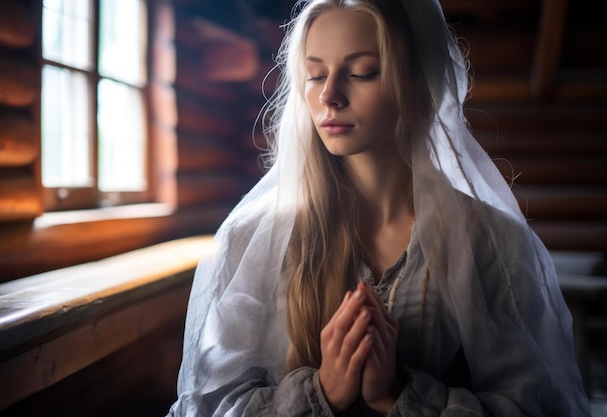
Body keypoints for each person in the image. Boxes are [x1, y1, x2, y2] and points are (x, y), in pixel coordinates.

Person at [166, 0, 591, 415]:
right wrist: (322, 393)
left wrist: (399, 394)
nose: (330, 96)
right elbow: (209, 404)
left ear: (418, 82)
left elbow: (534, 404)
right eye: (315, 75)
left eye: (361, 72)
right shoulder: (255, 242)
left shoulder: (492, 244)